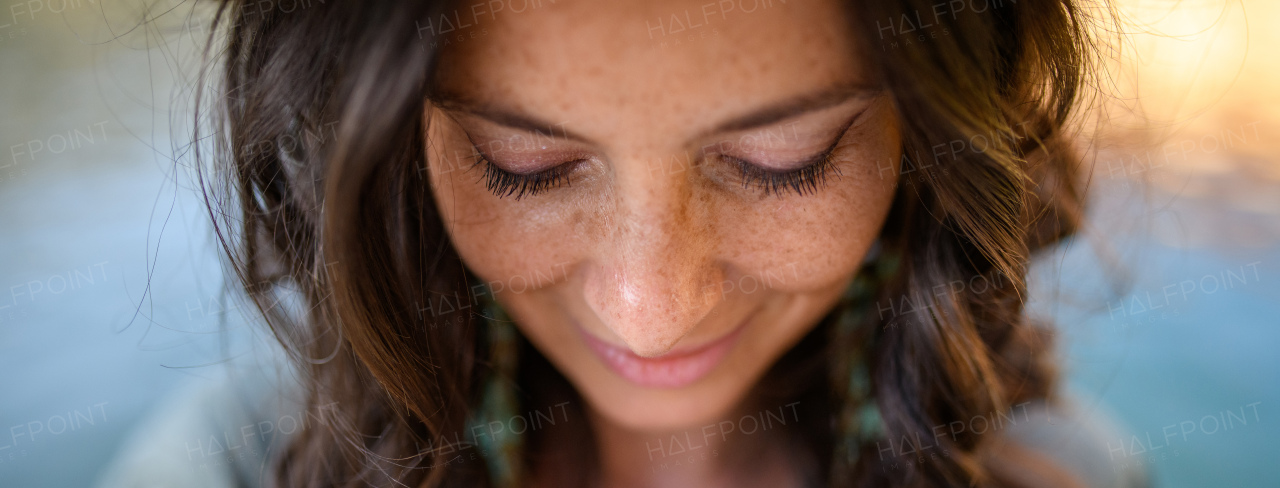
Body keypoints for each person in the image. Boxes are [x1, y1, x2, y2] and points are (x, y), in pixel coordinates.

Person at [98, 0, 1150, 486]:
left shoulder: (1060, 472)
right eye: (524, 165)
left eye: (784, 160)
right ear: (381, 148)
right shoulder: (232, 467)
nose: (652, 304)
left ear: (929, 132)